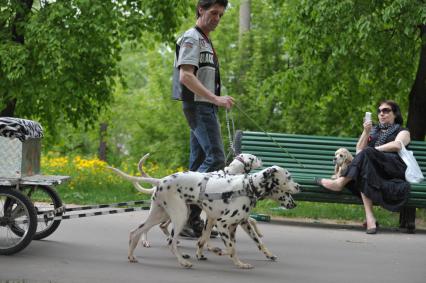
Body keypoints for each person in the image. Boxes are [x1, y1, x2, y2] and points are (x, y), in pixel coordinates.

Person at [172, 0, 234, 237]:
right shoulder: (192, 38)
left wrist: (217, 100)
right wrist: (215, 98)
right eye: (213, 13)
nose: (217, 19)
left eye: (220, 15)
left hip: (206, 107)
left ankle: (189, 221)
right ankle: (184, 215)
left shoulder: (205, 40)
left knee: (197, 165)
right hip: (199, 107)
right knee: (216, 158)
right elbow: (186, 76)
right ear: (200, 10)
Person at [317, 100, 411, 234]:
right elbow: (359, 151)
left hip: (393, 168)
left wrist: (374, 150)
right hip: (373, 170)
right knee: (364, 169)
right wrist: (366, 132)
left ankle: (339, 183)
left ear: (395, 114)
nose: (381, 114)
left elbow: (397, 145)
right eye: (379, 111)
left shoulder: (403, 131)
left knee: (367, 153)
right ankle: (370, 219)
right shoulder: (374, 131)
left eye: (386, 110)